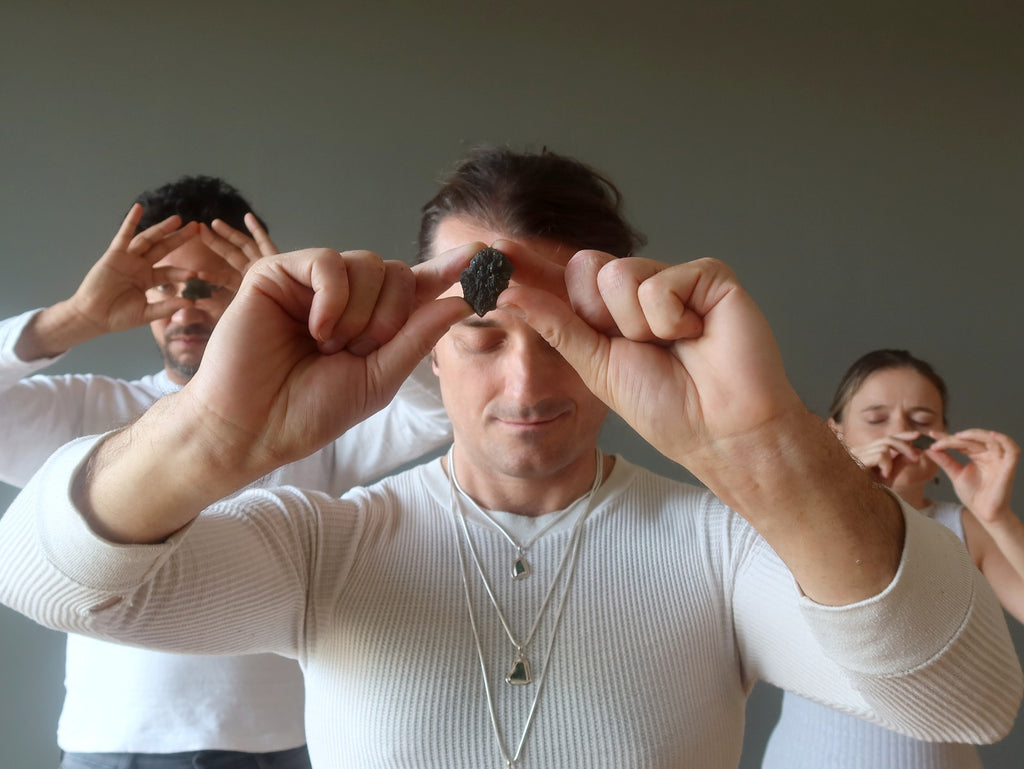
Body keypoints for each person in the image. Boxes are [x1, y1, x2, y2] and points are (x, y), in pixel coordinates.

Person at [0, 149, 1021, 769]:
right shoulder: (324, 543)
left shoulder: (721, 545)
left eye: (564, 340)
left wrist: (758, 445)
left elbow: (961, 698)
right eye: (485, 335)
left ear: (627, 335)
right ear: (427, 339)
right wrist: (215, 433)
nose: (528, 391)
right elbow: (48, 580)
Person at [0, 175, 453, 769]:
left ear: (251, 289)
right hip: (110, 745)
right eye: (163, 285)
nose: (187, 303)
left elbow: (441, 411)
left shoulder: (313, 416)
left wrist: (325, 318)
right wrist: (76, 318)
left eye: (214, 284)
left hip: (275, 744)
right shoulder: (89, 409)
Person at [760, 348, 1024, 769]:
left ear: (943, 439)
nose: (900, 431)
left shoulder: (967, 528)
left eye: (921, 421)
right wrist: (843, 495)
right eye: (876, 419)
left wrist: (998, 517)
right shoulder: (793, 525)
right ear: (836, 432)